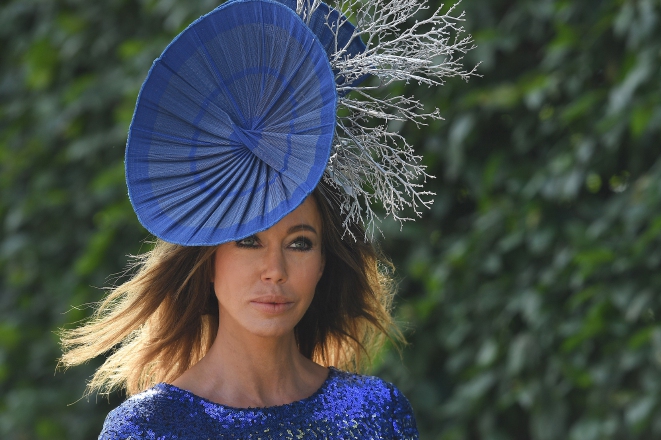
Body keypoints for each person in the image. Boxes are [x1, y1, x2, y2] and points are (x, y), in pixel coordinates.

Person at [59, 0, 473, 437]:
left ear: (324, 262)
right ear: (208, 258)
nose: (275, 271)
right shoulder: (143, 429)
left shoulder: (377, 414)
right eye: (249, 241)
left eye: (300, 243)